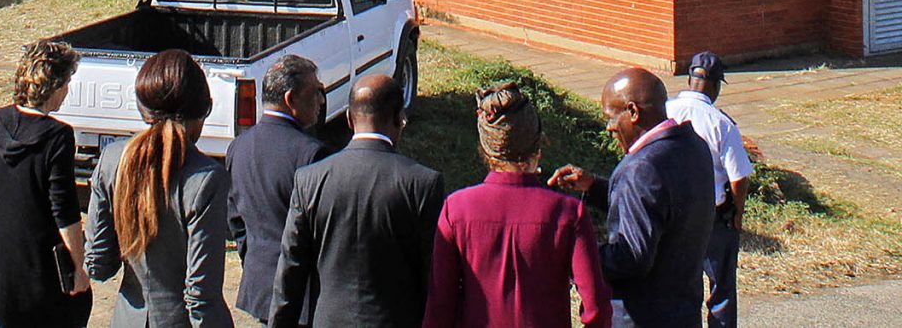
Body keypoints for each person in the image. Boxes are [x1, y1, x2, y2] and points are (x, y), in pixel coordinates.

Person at [423, 82, 608, 328]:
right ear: (538, 147)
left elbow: (439, 310)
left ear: (485, 150)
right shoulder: (568, 213)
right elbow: (596, 309)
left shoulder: (455, 210)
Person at [269, 72, 443, 328]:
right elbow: (432, 275)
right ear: (399, 118)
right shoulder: (422, 183)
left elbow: (290, 270)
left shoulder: (310, 179)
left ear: (349, 119)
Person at [548, 68, 714, 328]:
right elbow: (659, 209)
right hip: (682, 312)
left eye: (611, 117)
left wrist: (577, 255)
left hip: (641, 317)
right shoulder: (693, 146)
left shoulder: (642, 168)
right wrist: (593, 187)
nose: (608, 127)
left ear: (633, 112)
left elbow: (631, 258)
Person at [85, 48, 234, 328]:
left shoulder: (113, 159)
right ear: (206, 108)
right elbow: (202, 296)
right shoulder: (206, 178)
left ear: (143, 108)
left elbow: (98, 264)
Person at [0, 39, 94, 327]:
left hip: (1, 266)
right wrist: (78, 266)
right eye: (66, 83)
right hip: (44, 271)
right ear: (53, 86)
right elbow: (64, 210)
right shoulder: (57, 136)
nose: (67, 91)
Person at [225, 54, 328, 324]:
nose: (321, 100)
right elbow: (320, 230)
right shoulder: (311, 154)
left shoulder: (239, 147)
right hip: (302, 298)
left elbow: (235, 219)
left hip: (261, 289)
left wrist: (256, 259)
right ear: (291, 99)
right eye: (316, 92)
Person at [661, 53, 751, 328]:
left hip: (670, 215)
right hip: (711, 217)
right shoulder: (721, 123)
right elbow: (739, 176)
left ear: (690, 79)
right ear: (715, 85)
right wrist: (737, 212)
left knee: (675, 285)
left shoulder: (664, 110)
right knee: (720, 288)